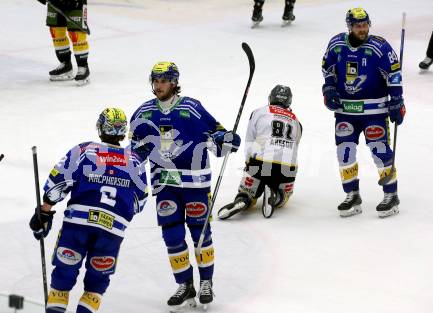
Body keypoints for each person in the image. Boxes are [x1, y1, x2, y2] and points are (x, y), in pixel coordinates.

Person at [129, 62, 241, 309]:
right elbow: (136, 152)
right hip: (165, 185)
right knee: (172, 237)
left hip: (195, 185)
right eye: (155, 81)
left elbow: (218, 136)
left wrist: (227, 140)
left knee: (201, 235)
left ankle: (206, 283)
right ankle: (185, 283)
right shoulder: (143, 113)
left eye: (163, 81)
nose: (158, 86)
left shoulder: (192, 108)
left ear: (174, 82)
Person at [29, 108, 148, 313]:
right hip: (111, 231)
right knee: (95, 286)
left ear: (100, 127)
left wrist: (45, 211)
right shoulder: (135, 161)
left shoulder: (84, 150)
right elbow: (139, 202)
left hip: (77, 227)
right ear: (123, 131)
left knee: (63, 278)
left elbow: (58, 183)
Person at [321, 8, 406, 218]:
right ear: (349, 26)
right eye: (358, 26)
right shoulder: (336, 45)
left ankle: (391, 195)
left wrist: (397, 100)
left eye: (365, 25)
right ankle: (352, 195)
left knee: (379, 150)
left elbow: (394, 74)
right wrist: (329, 88)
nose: (363, 29)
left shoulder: (379, 47)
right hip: (345, 112)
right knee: (345, 152)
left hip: (374, 111)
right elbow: (327, 69)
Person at [218, 85, 302, 220]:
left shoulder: (259, 112)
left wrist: (249, 163)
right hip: (287, 166)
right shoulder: (296, 120)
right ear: (289, 102)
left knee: (248, 191)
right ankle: (276, 195)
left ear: (270, 97)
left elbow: (250, 139)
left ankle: (244, 199)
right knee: (285, 196)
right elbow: (296, 145)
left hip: (261, 162)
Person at [37, 0, 90, 85]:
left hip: (76, 2)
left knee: (76, 34)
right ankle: (66, 65)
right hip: (54, 1)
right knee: (56, 31)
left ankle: (83, 67)